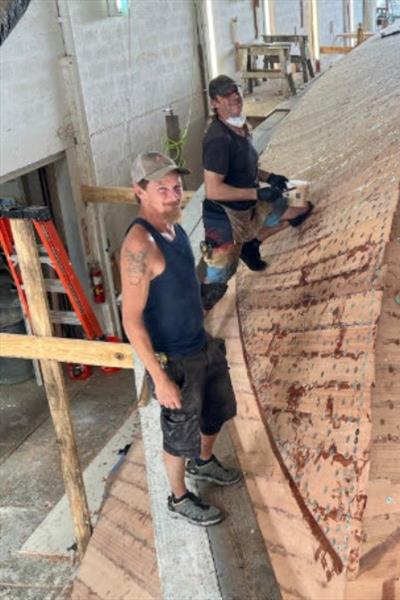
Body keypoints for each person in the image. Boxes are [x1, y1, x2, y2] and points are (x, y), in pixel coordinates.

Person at [121, 152, 242, 526]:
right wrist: (160, 378)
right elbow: (131, 320)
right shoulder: (140, 245)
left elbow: (177, 285)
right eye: (162, 189)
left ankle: (203, 463)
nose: (174, 196)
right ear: (139, 192)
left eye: (176, 188)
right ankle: (178, 498)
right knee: (179, 436)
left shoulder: (174, 229)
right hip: (175, 359)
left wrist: (201, 301)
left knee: (218, 411)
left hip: (200, 342)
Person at [200, 74, 312, 310]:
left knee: (300, 209)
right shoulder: (218, 140)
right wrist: (257, 194)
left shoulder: (241, 126)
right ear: (214, 103)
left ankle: (252, 244)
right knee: (216, 283)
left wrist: (269, 177)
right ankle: (199, 328)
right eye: (226, 96)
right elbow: (213, 189)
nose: (234, 98)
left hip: (249, 204)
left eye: (235, 93)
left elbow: (245, 166)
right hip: (224, 217)